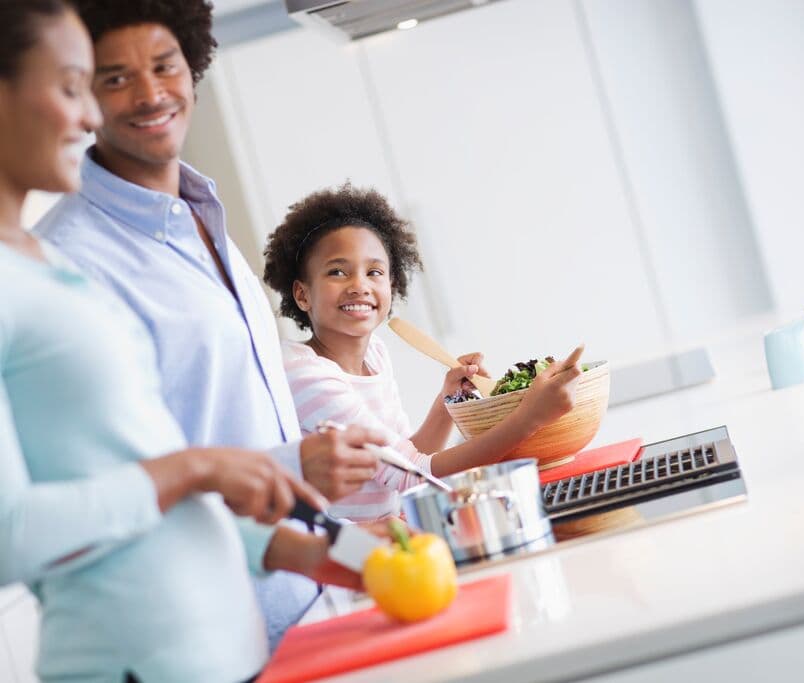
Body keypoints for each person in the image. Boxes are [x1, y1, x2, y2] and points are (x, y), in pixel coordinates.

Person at [0, 2, 385, 681]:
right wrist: (199, 468)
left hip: (231, 643)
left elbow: (146, 489)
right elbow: (12, 535)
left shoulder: (46, 265)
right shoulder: (55, 262)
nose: (91, 114)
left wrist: (298, 551)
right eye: (76, 86)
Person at [262, 183, 583, 520]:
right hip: (349, 556)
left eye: (374, 272)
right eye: (337, 272)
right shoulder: (306, 376)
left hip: (393, 537)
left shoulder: (374, 356)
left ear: (391, 284)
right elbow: (412, 473)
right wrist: (530, 417)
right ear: (302, 294)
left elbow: (408, 457)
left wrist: (448, 402)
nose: (359, 284)